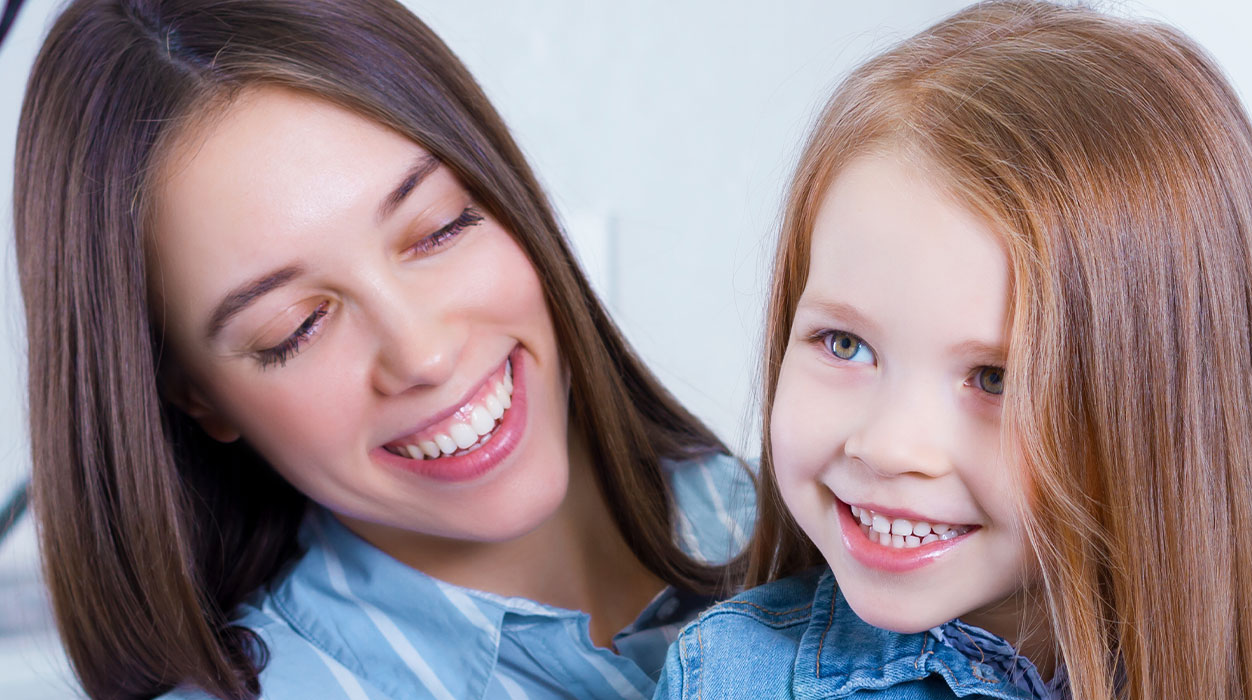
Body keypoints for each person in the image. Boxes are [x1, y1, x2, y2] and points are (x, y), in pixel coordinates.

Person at [659, 2, 1252, 698]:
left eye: (995, 378)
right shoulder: (729, 678)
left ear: (1169, 410)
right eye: (844, 343)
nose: (892, 446)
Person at [13, 1, 751, 698]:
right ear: (194, 395)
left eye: (438, 228)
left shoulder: (790, 521)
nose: (423, 354)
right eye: (295, 327)